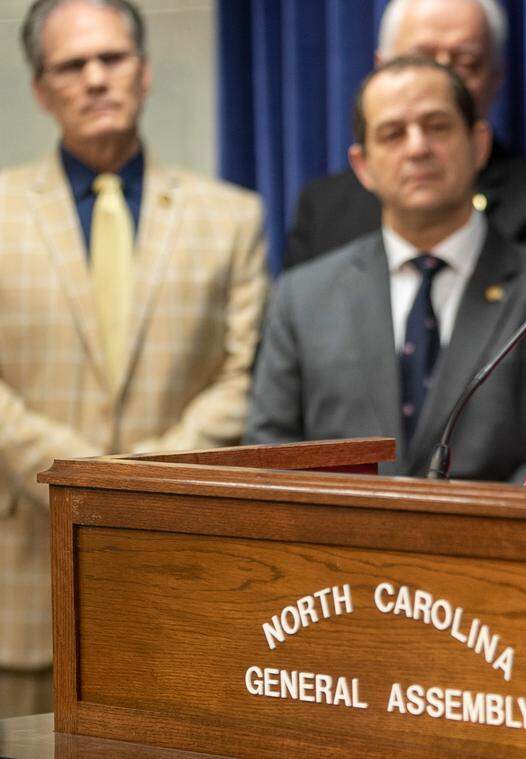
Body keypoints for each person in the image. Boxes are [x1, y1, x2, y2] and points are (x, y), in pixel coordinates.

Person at [0, 0, 266, 716]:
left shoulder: (232, 217)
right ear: (40, 89)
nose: (95, 78)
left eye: (112, 59)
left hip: (179, 571)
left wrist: (139, 483)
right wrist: (78, 479)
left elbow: (242, 378)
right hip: (22, 586)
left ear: (144, 73)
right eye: (71, 65)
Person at [246, 57, 526, 482]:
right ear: (363, 166)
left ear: (479, 144)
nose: (417, 148)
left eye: (437, 127)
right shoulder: (302, 298)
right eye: (392, 134)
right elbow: (272, 458)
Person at [285, 0, 526, 272]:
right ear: (380, 69)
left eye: (466, 62)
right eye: (421, 59)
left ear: (496, 77)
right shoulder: (324, 210)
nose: (441, 78)